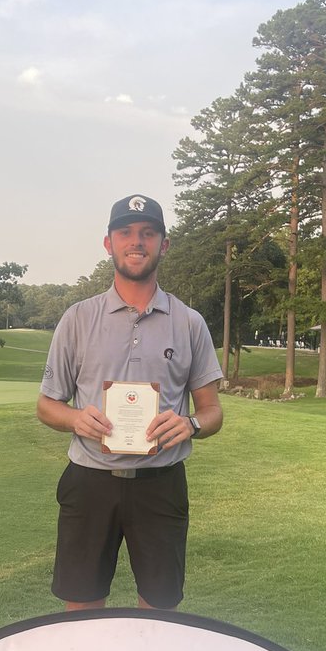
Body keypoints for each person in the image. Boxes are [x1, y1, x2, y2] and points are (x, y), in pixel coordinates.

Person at [37, 193, 223, 611]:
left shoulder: (189, 322)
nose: (136, 242)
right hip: (90, 482)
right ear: (109, 243)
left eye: (147, 233)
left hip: (161, 485)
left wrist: (190, 424)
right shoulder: (78, 318)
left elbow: (213, 412)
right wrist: (74, 419)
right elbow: (47, 406)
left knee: (159, 611)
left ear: (164, 244)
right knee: (81, 609)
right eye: (125, 232)